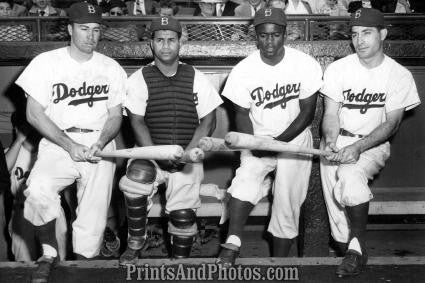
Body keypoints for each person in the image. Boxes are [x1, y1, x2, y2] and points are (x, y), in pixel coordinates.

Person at [15, 2, 126, 282]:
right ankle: (49, 253)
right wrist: (69, 145)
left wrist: (101, 142)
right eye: (84, 28)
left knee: (93, 218)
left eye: (96, 29)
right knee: (38, 190)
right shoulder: (46, 62)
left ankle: (84, 269)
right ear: (70, 29)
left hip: (99, 143)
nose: (91, 35)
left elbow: (115, 116)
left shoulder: (111, 67)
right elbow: (33, 114)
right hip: (59, 142)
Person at [216, 7, 323, 267]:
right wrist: (254, 144)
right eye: (263, 35)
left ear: (285, 33)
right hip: (257, 136)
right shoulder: (244, 69)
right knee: (245, 180)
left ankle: (279, 261)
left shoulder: (304, 63)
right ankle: (232, 242)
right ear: (256, 35)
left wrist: (278, 144)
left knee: (287, 201)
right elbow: (241, 114)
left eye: (275, 35)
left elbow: (307, 113)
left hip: (294, 139)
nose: (269, 41)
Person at [320, 8, 420, 277]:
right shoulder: (338, 68)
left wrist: (357, 148)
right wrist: (331, 140)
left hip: (371, 146)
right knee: (338, 217)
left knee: (351, 182)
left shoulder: (398, 74)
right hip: (335, 143)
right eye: (354, 34)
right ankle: (352, 254)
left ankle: (357, 248)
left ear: (383, 34)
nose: (359, 40)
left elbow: (392, 124)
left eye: (367, 33)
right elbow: (330, 114)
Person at [119, 16, 222, 265]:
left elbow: (209, 121)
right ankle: (135, 242)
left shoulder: (196, 76)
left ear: (180, 43)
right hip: (151, 152)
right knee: (136, 180)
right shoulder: (139, 78)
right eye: (160, 40)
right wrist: (158, 156)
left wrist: (187, 153)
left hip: (188, 152)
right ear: (151, 44)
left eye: (171, 40)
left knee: (183, 214)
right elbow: (137, 122)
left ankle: (180, 262)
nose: (166, 46)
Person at [6, 112, 68, 262]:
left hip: (51, 208)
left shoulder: (49, 151)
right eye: (26, 127)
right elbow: (3, 169)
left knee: (58, 259)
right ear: (16, 128)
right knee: (23, 262)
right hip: (22, 212)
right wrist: (19, 139)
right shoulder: (12, 152)